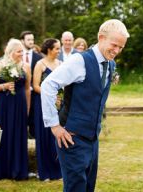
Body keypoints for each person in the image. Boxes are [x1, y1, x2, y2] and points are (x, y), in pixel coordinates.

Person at [41, 19, 128, 192]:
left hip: (92, 138)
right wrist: (55, 126)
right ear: (101, 37)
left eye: (121, 47)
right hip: (71, 137)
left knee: (89, 187)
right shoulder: (79, 61)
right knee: (76, 188)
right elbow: (48, 85)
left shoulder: (110, 64)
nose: (117, 51)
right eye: (114, 45)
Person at [0, 38, 31, 180]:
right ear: (11, 52)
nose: (21, 54)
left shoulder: (26, 66)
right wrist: (4, 86)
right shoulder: (0, 65)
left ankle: (18, 170)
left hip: (19, 105)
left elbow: (27, 89)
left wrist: (27, 108)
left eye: (22, 51)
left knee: (18, 135)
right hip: (2, 105)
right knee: (2, 135)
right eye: (19, 51)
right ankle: (1, 170)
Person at [33, 38, 62, 181]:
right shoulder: (40, 64)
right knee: (44, 137)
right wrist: (50, 95)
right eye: (57, 48)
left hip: (58, 105)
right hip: (43, 104)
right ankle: (44, 172)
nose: (59, 51)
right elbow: (36, 85)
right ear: (49, 50)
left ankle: (58, 170)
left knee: (56, 137)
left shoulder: (61, 64)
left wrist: (60, 96)